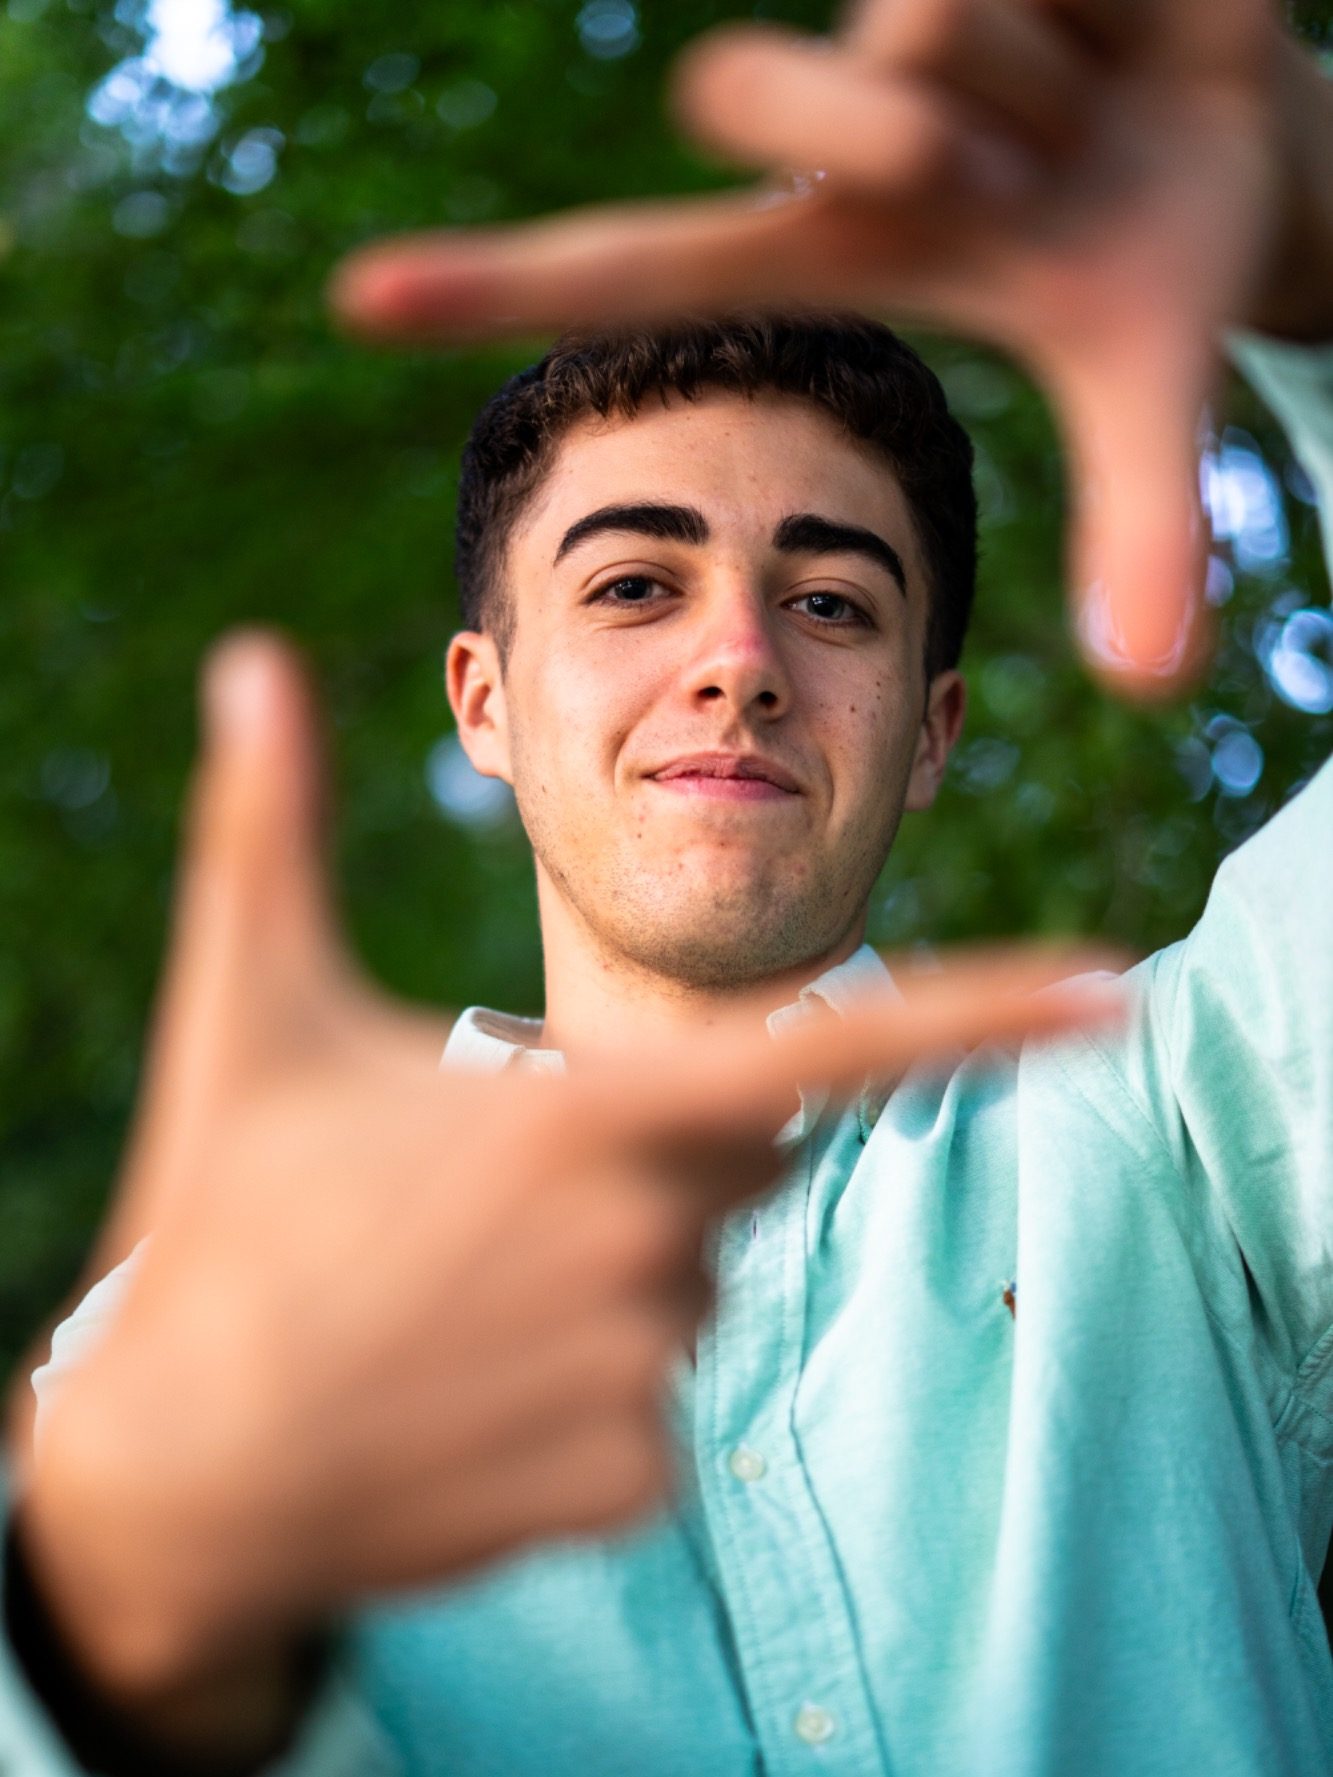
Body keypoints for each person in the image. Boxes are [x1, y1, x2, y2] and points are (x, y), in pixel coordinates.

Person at [0, 3, 1330, 1776]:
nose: (739, 659)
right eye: (634, 586)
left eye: (835, 601)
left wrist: (1317, 285)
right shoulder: (224, 1323)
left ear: (930, 730)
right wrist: (117, 1653)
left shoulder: (1188, 1117)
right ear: (483, 698)